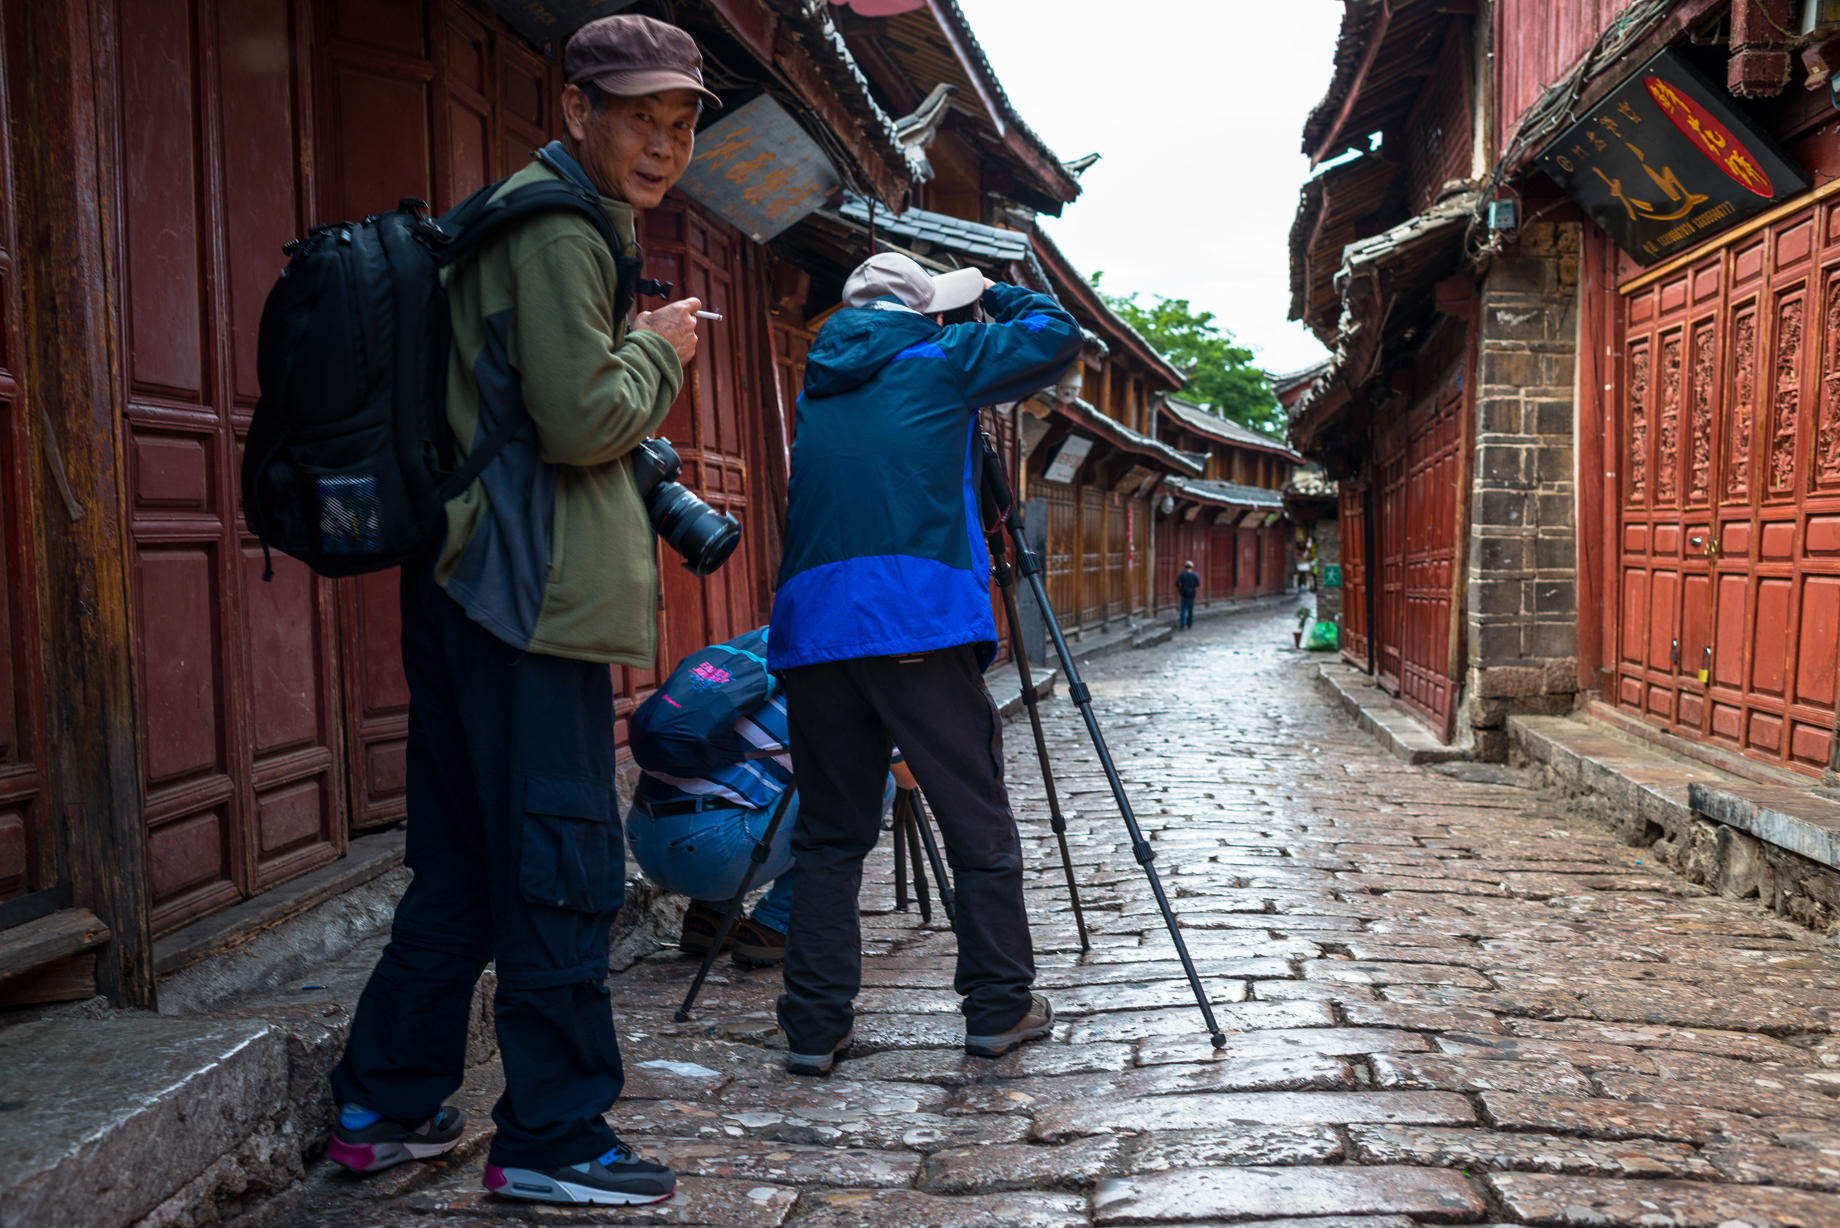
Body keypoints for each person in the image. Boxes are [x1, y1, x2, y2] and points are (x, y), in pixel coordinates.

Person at [324, 14, 717, 1209]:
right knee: (559, 864)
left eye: (680, 122)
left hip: (469, 583)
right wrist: (659, 351)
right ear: (576, 110)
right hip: (525, 599)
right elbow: (582, 419)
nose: (662, 144)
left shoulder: (535, 213)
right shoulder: (556, 228)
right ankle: (552, 1135)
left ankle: (382, 1104)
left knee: (458, 866)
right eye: (638, 117)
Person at [767, 252, 1083, 1076]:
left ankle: (813, 1027)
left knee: (829, 838)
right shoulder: (943, 356)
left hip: (814, 628)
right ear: (928, 314)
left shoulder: (815, 383)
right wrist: (991, 289)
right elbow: (1057, 334)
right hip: (917, 621)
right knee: (974, 818)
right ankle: (999, 1005)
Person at [625, 627, 904, 966]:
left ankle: (711, 917)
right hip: (713, 858)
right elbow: (908, 777)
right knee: (873, 781)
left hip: (643, 840)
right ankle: (776, 924)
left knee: (748, 776)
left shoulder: (754, 648)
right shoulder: (845, 670)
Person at [1177, 560, 1200, 630]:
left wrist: (1181, 589)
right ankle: (1189, 624)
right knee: (1190, 610)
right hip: (1192, 594)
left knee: (1183, 610)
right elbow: (1198, 584)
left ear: (1185, 567)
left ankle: (1182, 625)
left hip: (1184, 593)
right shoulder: (1195, 575)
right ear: (1192, 567)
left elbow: (1177, 583)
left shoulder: (1182, 574)